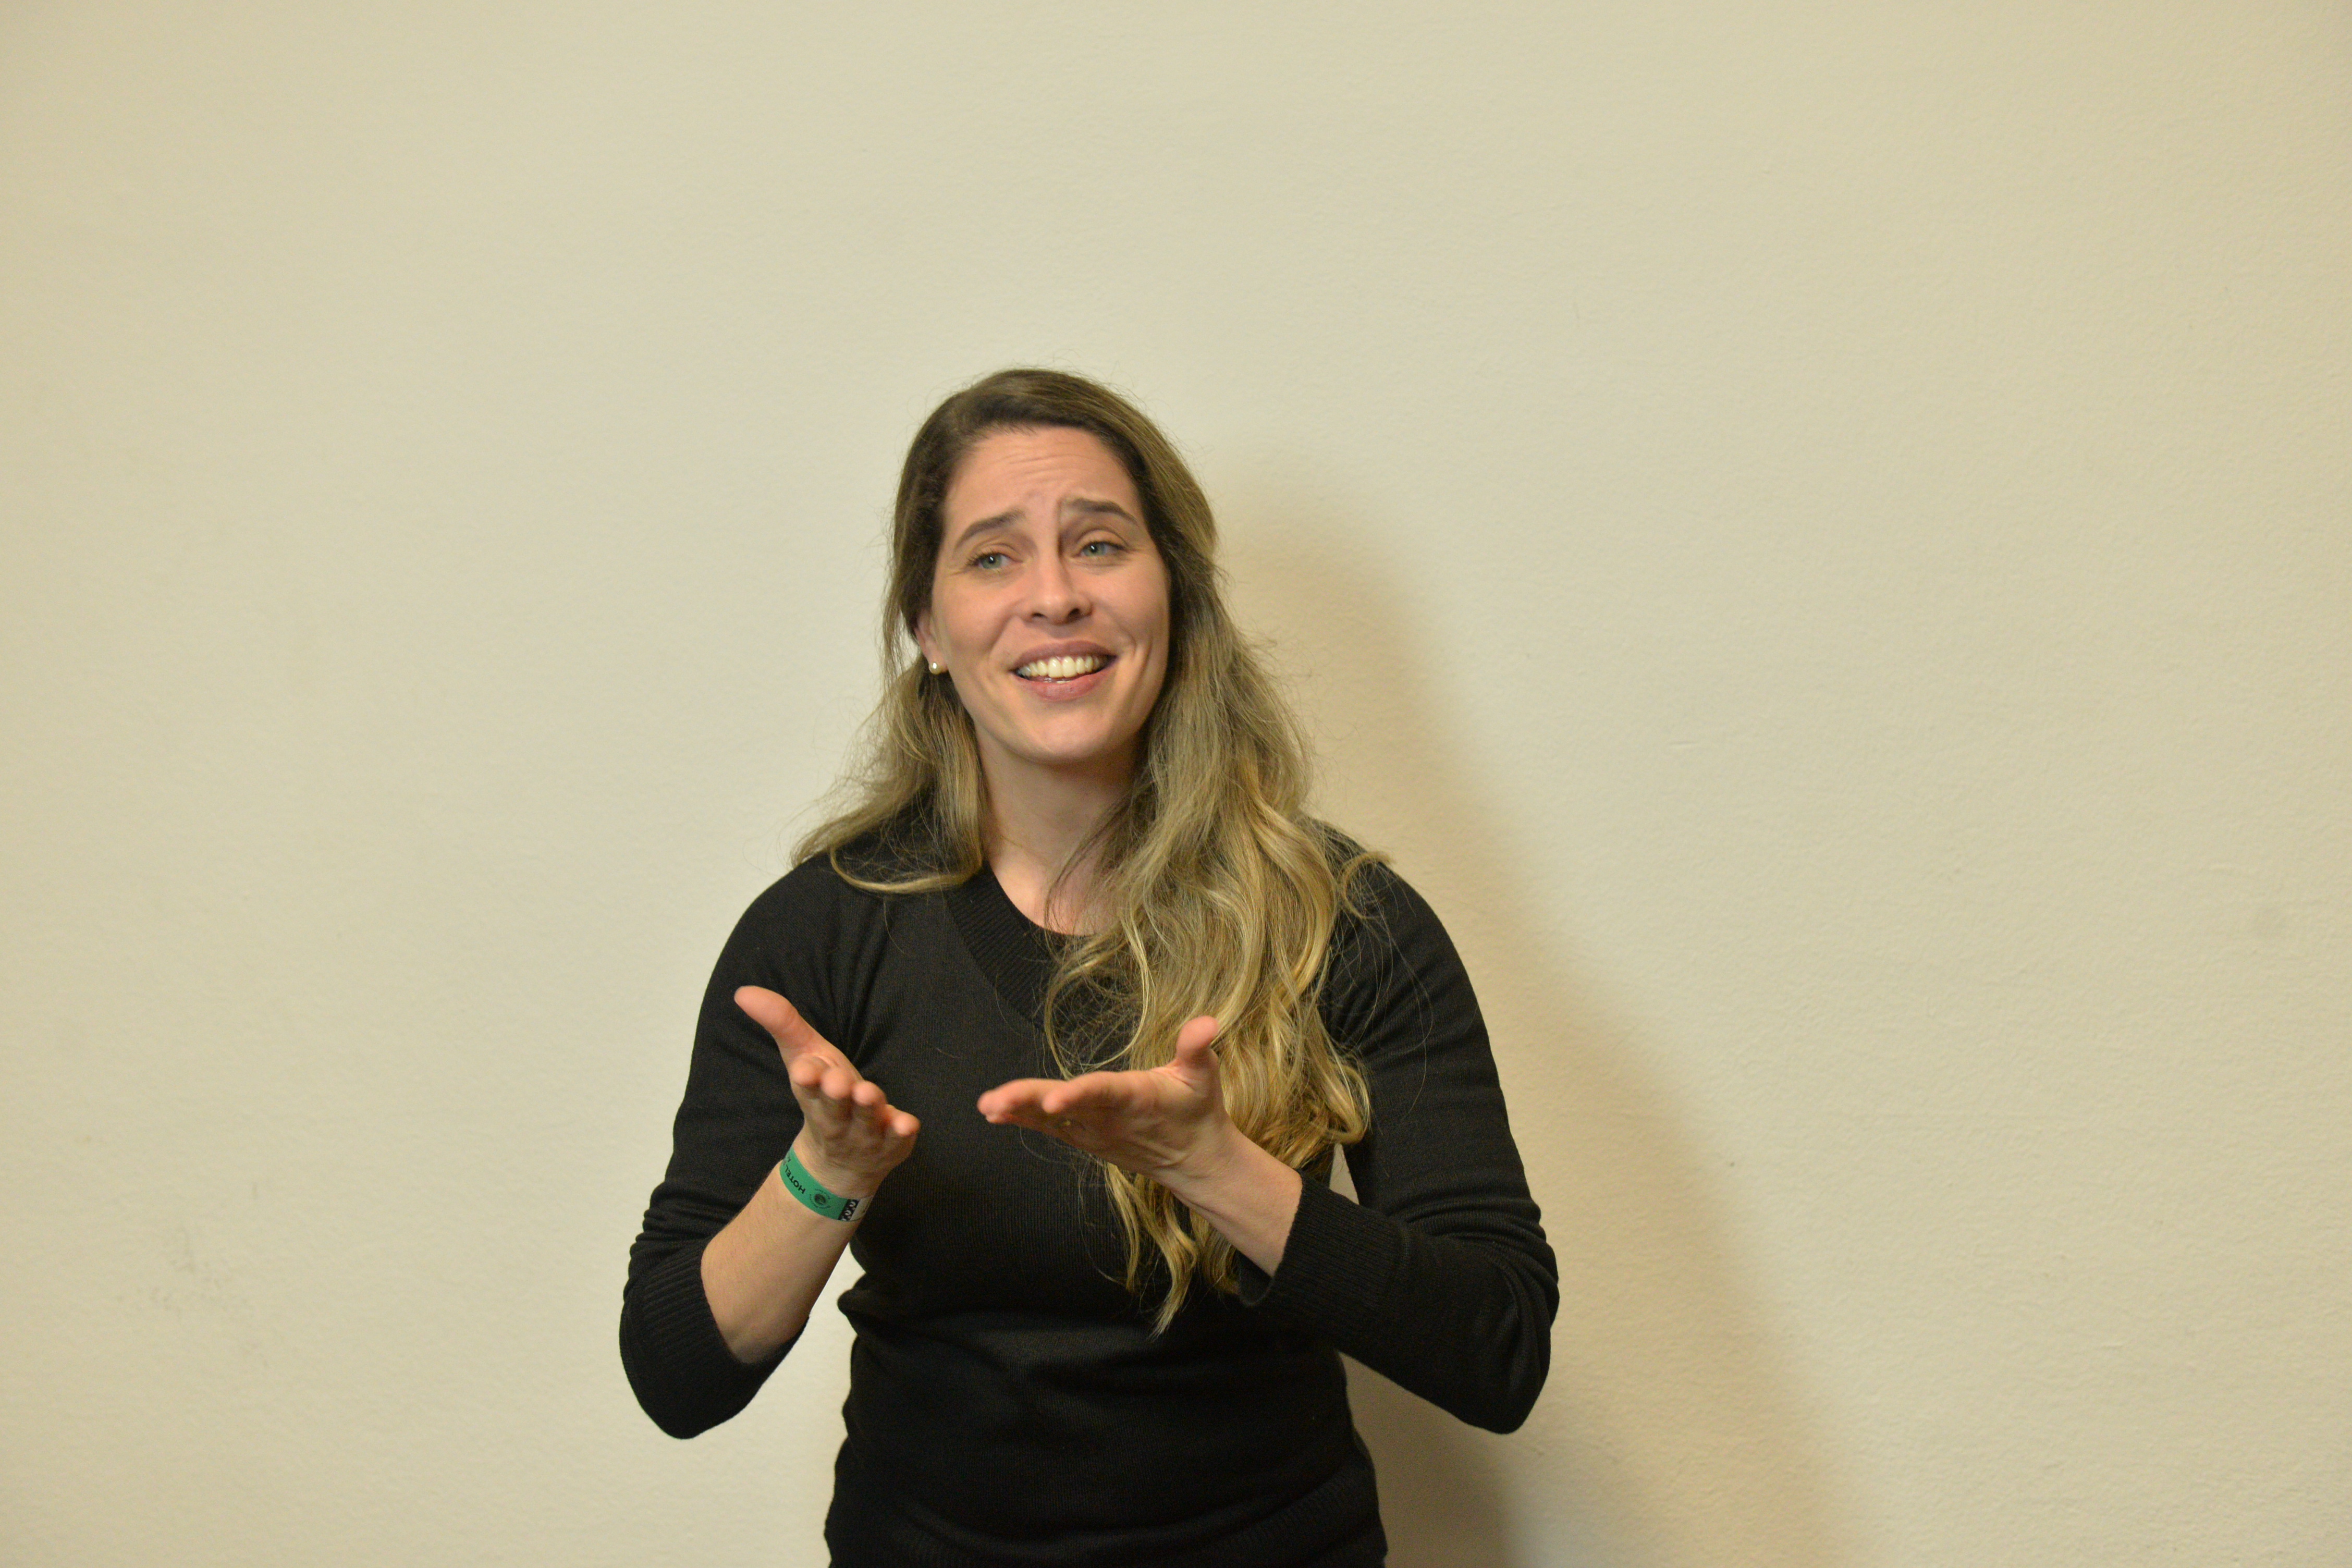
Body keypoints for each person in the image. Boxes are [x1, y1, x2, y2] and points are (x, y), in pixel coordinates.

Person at [621, 369, 1556, 1566]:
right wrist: (825, 1172)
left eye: (1100, 543)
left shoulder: (1345, 918)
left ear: (1174, 592)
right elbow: (677, 1376)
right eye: (993, 557)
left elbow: (1498, 1351)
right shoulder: (822, 935)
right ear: (928, 628)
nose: (1055, 595)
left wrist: (1216, 1170)